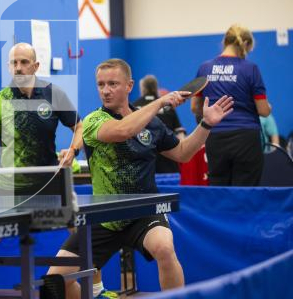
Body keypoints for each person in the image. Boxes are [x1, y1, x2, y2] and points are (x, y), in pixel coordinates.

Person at [48, 58, 233, 298]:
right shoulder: (95, 121)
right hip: (104, 216)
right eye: (101, 84)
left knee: (164, 248)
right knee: (55, 280)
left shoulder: (152, 125)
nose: (105, 90)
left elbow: (183, 153)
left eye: (113, 83)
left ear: (129, 86)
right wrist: (159, 102)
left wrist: (206, 124)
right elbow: (123, 130)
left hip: (144, 211)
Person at [0, 43, 83, 296]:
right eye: (14, 63)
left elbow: (79, 126)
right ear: (9, 66)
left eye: (24, 62)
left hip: (48, 182)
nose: (18, 67)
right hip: (9, 186)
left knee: (80, 234)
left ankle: (97, 287)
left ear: (36, 65)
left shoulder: (53, 94)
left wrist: (72, 150)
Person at [191, 24, 271, 186]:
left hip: (215, 137)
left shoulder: (204, 68)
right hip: (246, 139)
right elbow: (263, 110)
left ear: (225, 41)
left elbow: (195, 108)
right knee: (246, 193)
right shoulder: (251, 69)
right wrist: (269, 107)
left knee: (219, 191)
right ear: (246, 45)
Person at [133, 75, 186, 173]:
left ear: (142, 88)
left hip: (143, 160)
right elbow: (180, 133)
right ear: (156, 87)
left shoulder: (134, 106)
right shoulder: (167, 105)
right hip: (168, 158)